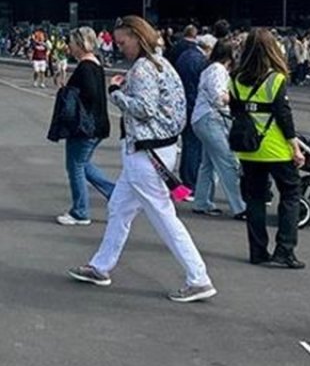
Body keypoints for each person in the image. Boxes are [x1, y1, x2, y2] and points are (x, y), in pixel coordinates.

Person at [67, 16, 216, 303]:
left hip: (145, 153)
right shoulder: (161, 64)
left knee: (162, 215)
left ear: (137, 37)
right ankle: (100, 266)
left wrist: (116, 93)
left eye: (123, 42)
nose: (120, 48)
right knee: (120, 209)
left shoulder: (143, 69)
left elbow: (144, 109)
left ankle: (198, 277)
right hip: (160, 149)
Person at [229, 28, 307, 270]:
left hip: (248, 149)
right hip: (276, 148)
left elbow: (236, 112)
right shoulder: (276, 79)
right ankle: (284, 250)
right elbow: (284, 117)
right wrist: (295, 146)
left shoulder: (235, 78)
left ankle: (257, 251)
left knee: (254, 199)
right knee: (291, 196)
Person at [54, 27, 114, 226]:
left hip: (85, 127)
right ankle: (114, 194)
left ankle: (80, 211)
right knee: (83, 164)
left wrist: (69, 93)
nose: (69, 47)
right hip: (97, 125)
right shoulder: (96, 65)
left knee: (75, 166)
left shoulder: (85, 67)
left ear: (80, 44)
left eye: (71, 43)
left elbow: (89, 95)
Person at [191, 37, 247, 219]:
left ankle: (202, 201)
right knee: (227, 161)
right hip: (211, 119)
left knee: (208, 163)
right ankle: (240, 206)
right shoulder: (218, 70)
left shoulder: (210, 69)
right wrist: (236, 99)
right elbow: (218, 97)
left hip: (202, 118)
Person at [175, 34, 211, 191]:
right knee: (194, 146)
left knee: (189, 144)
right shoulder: (200, 61)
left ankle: (186, 181)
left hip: (184, 103)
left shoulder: (185, 56)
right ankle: (191, 182)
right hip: (194, 104)